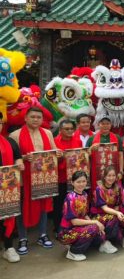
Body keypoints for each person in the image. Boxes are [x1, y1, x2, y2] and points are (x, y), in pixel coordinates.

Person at [9, 107, 62, 255]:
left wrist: (57, 153)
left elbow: (53, 151)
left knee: (43, 205)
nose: (35, 119)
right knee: (23, 207)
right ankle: (23, 237)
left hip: (44, 177)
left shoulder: (48, 133)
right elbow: (12, 158)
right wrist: (24, 158)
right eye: (32, 117)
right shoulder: (15, 135)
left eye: (38, 117)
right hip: (24, 178)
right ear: (25, 118)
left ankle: (42, 235)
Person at [58, 171, 106, 261]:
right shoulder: (70, 197)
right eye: (78, 182)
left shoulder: (84, 194)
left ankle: (78, 245)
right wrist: (94, 223)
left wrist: (97, 224)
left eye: (83, 181)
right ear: (72, 183)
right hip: (67, 231)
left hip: (78, 228)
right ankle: (73, 252)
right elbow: (74, 221)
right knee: (94, 227)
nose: (81, 184)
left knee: (100, 233)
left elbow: (85, 214)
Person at [0, 112, 24, 263]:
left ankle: (8, 248)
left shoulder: (9, 141)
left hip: (7, 188)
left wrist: (19, 162)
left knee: (7, 218)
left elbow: (17, 155)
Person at [53, 120, 83, 235]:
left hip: (74, 179)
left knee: (74, 203)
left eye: (71, 129)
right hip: (60, 178)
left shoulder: (78, 141)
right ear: (60, 130)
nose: (70, 131)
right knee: (59, 204)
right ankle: (58, 228)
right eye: (66, 129)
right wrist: (61, 158)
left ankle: (72, 225)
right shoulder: (54, 142)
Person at [86, 115, 124, 193]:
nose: (105, 126)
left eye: (107, 123)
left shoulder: (117, 137)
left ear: (111, 125)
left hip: (113, 171)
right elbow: (85, 157)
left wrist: (121, 171)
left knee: (114, 192)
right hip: (97, 172)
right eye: (103, 123)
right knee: (99, 192)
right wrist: (91, 148)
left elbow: (120, 155)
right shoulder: (91, 139)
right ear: (99, 124)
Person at [90, 166, 122, 253]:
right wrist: (117, 213)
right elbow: (104, 208)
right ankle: (103, 242)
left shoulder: (117, 188)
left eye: (113, 175)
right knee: (114, 218)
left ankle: (108, 239)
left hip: (111, 213)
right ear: (104, 176)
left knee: (120, 233)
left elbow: (117, 205)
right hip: (98, 215)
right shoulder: (99, 189)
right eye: (108, 176)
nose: (111, 178)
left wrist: (117, 212)